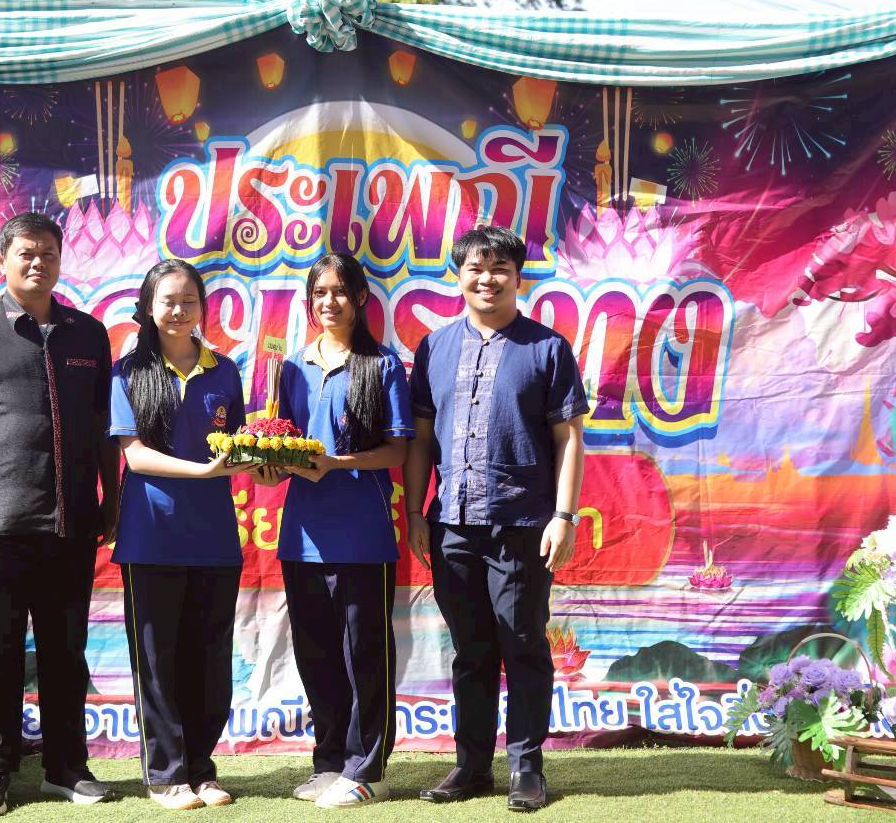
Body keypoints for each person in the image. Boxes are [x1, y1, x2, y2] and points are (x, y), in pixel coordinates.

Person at [0, 211, 119, 815]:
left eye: (48, 254)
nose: (38, 263)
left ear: (61, 261)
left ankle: (67, 768)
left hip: (71, 523)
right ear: (3, 260)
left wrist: (110, 500)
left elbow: (103, 426)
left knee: (66, 651)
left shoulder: (88, 334)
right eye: (26, 254)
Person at [404, 226, 587, 811]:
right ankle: (471, 765)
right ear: (458, 276)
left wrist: (564, 516)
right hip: (451, 525)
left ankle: (526, 769)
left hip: (522, 524)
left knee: (524, 644)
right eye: (476, 269)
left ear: (518, 277)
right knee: (471, 650)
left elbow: (569, 438)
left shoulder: (547, 348)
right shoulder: (434, 348)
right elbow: (421, 439)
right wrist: (414, 514)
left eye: (500, 268)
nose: (487, 279)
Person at [256, 253, 413, 808]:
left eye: (340, 291)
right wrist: (269, 464)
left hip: (363, 537)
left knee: (364, 654)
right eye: (319, 292)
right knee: (316, 655)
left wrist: (338, 463)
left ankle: (368, 768)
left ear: (361, 298)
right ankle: (329, 762)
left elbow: (396, 451)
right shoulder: (290, 367)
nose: (329, 302)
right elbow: (285, 444)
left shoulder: (383, 365)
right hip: (302, 537)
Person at [109, 259, 254, 811]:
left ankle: (201, 768)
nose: (178, 310)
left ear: (202, 307)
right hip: (151, 538)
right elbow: (135, 456)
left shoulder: (225, 371)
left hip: (215, 538)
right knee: (158, 660)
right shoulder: (128, 373)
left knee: (210, 659)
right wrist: (203, 471)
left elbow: (237, 446)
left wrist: (262, 461)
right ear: (149, 307)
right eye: (168, 300)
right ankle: (166, 775)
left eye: (188, 300)